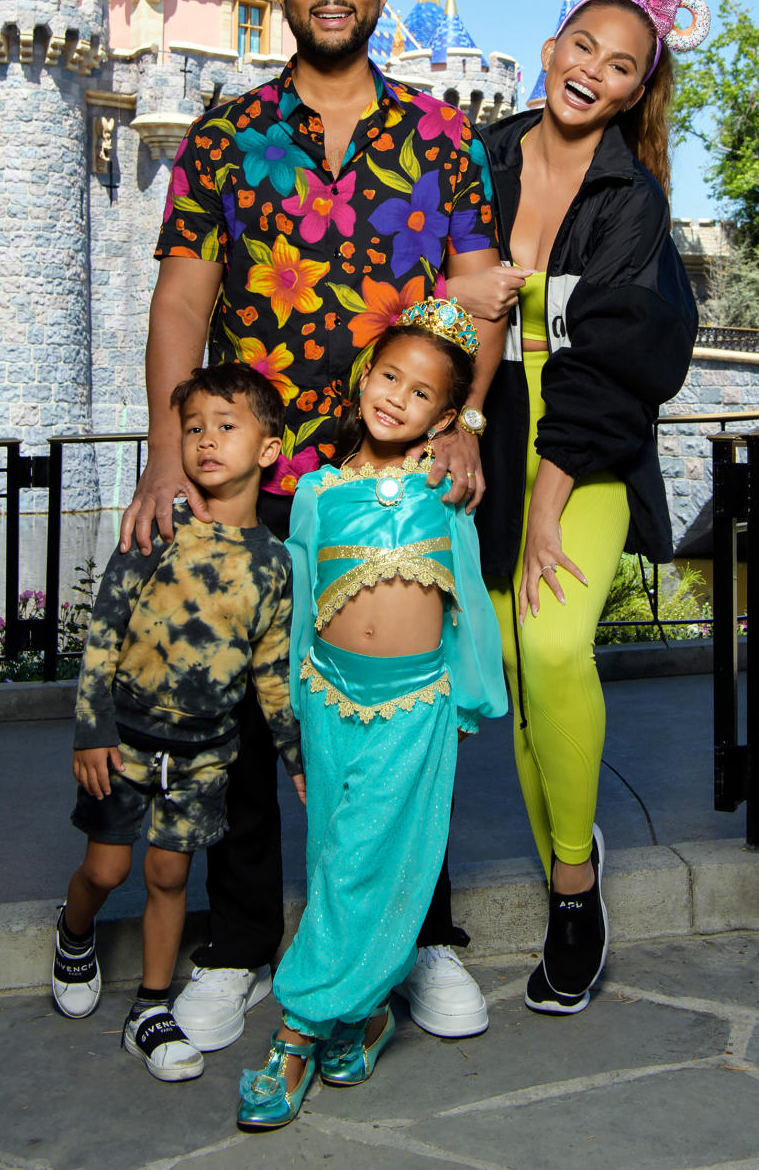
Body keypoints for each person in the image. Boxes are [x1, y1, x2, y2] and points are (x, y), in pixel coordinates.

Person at [119, 0, 511, 1048]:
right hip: (262, 478)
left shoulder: (443, 137)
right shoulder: (226, 135)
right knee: (246, 713)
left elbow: (482, 290)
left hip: (395, 483)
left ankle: (421, 934)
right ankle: (239, 941)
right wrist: (163, 452)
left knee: (406, 712)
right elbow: (185, 296)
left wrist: (471, 418)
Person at [450, 0, 702, 1016]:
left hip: (581, 447)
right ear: (551, 49)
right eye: (583, 45)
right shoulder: (479, 157)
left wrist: (546, 507)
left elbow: (608, 365)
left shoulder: (632, 199)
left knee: (553, 636)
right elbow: (424, 300)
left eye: (622, 63)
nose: (593, 69)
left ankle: (573, 884)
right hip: (484, 430)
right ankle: (565, 835)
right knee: (509, 665)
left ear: (641, 90)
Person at [236, 297, 506, 1131]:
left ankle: (297, 1030)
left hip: (413, 708)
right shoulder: (314, 495)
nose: (397, 397)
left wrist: (468, 699)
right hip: (326, 702)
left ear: (448, 415)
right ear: (365, 377)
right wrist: (291, 733)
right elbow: (299, 611)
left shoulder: (445, 491)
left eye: (422, 393)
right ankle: (361, 1018)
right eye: (388, 375)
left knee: (364, 865)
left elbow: (467, 604)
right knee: (334, 863)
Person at [52, 364, 305, 1082]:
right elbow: (103, 628)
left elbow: (270, 675)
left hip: (204, 755)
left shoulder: (275, 562)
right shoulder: (160, 526)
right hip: (124, 740)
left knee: (168, 874)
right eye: (193, 427)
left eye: (226, 426)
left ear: (267, 449)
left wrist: (297, 760)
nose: (205, 441)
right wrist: (91, 728)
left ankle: (151, 1007)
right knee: (108, 869)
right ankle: (73, 932)